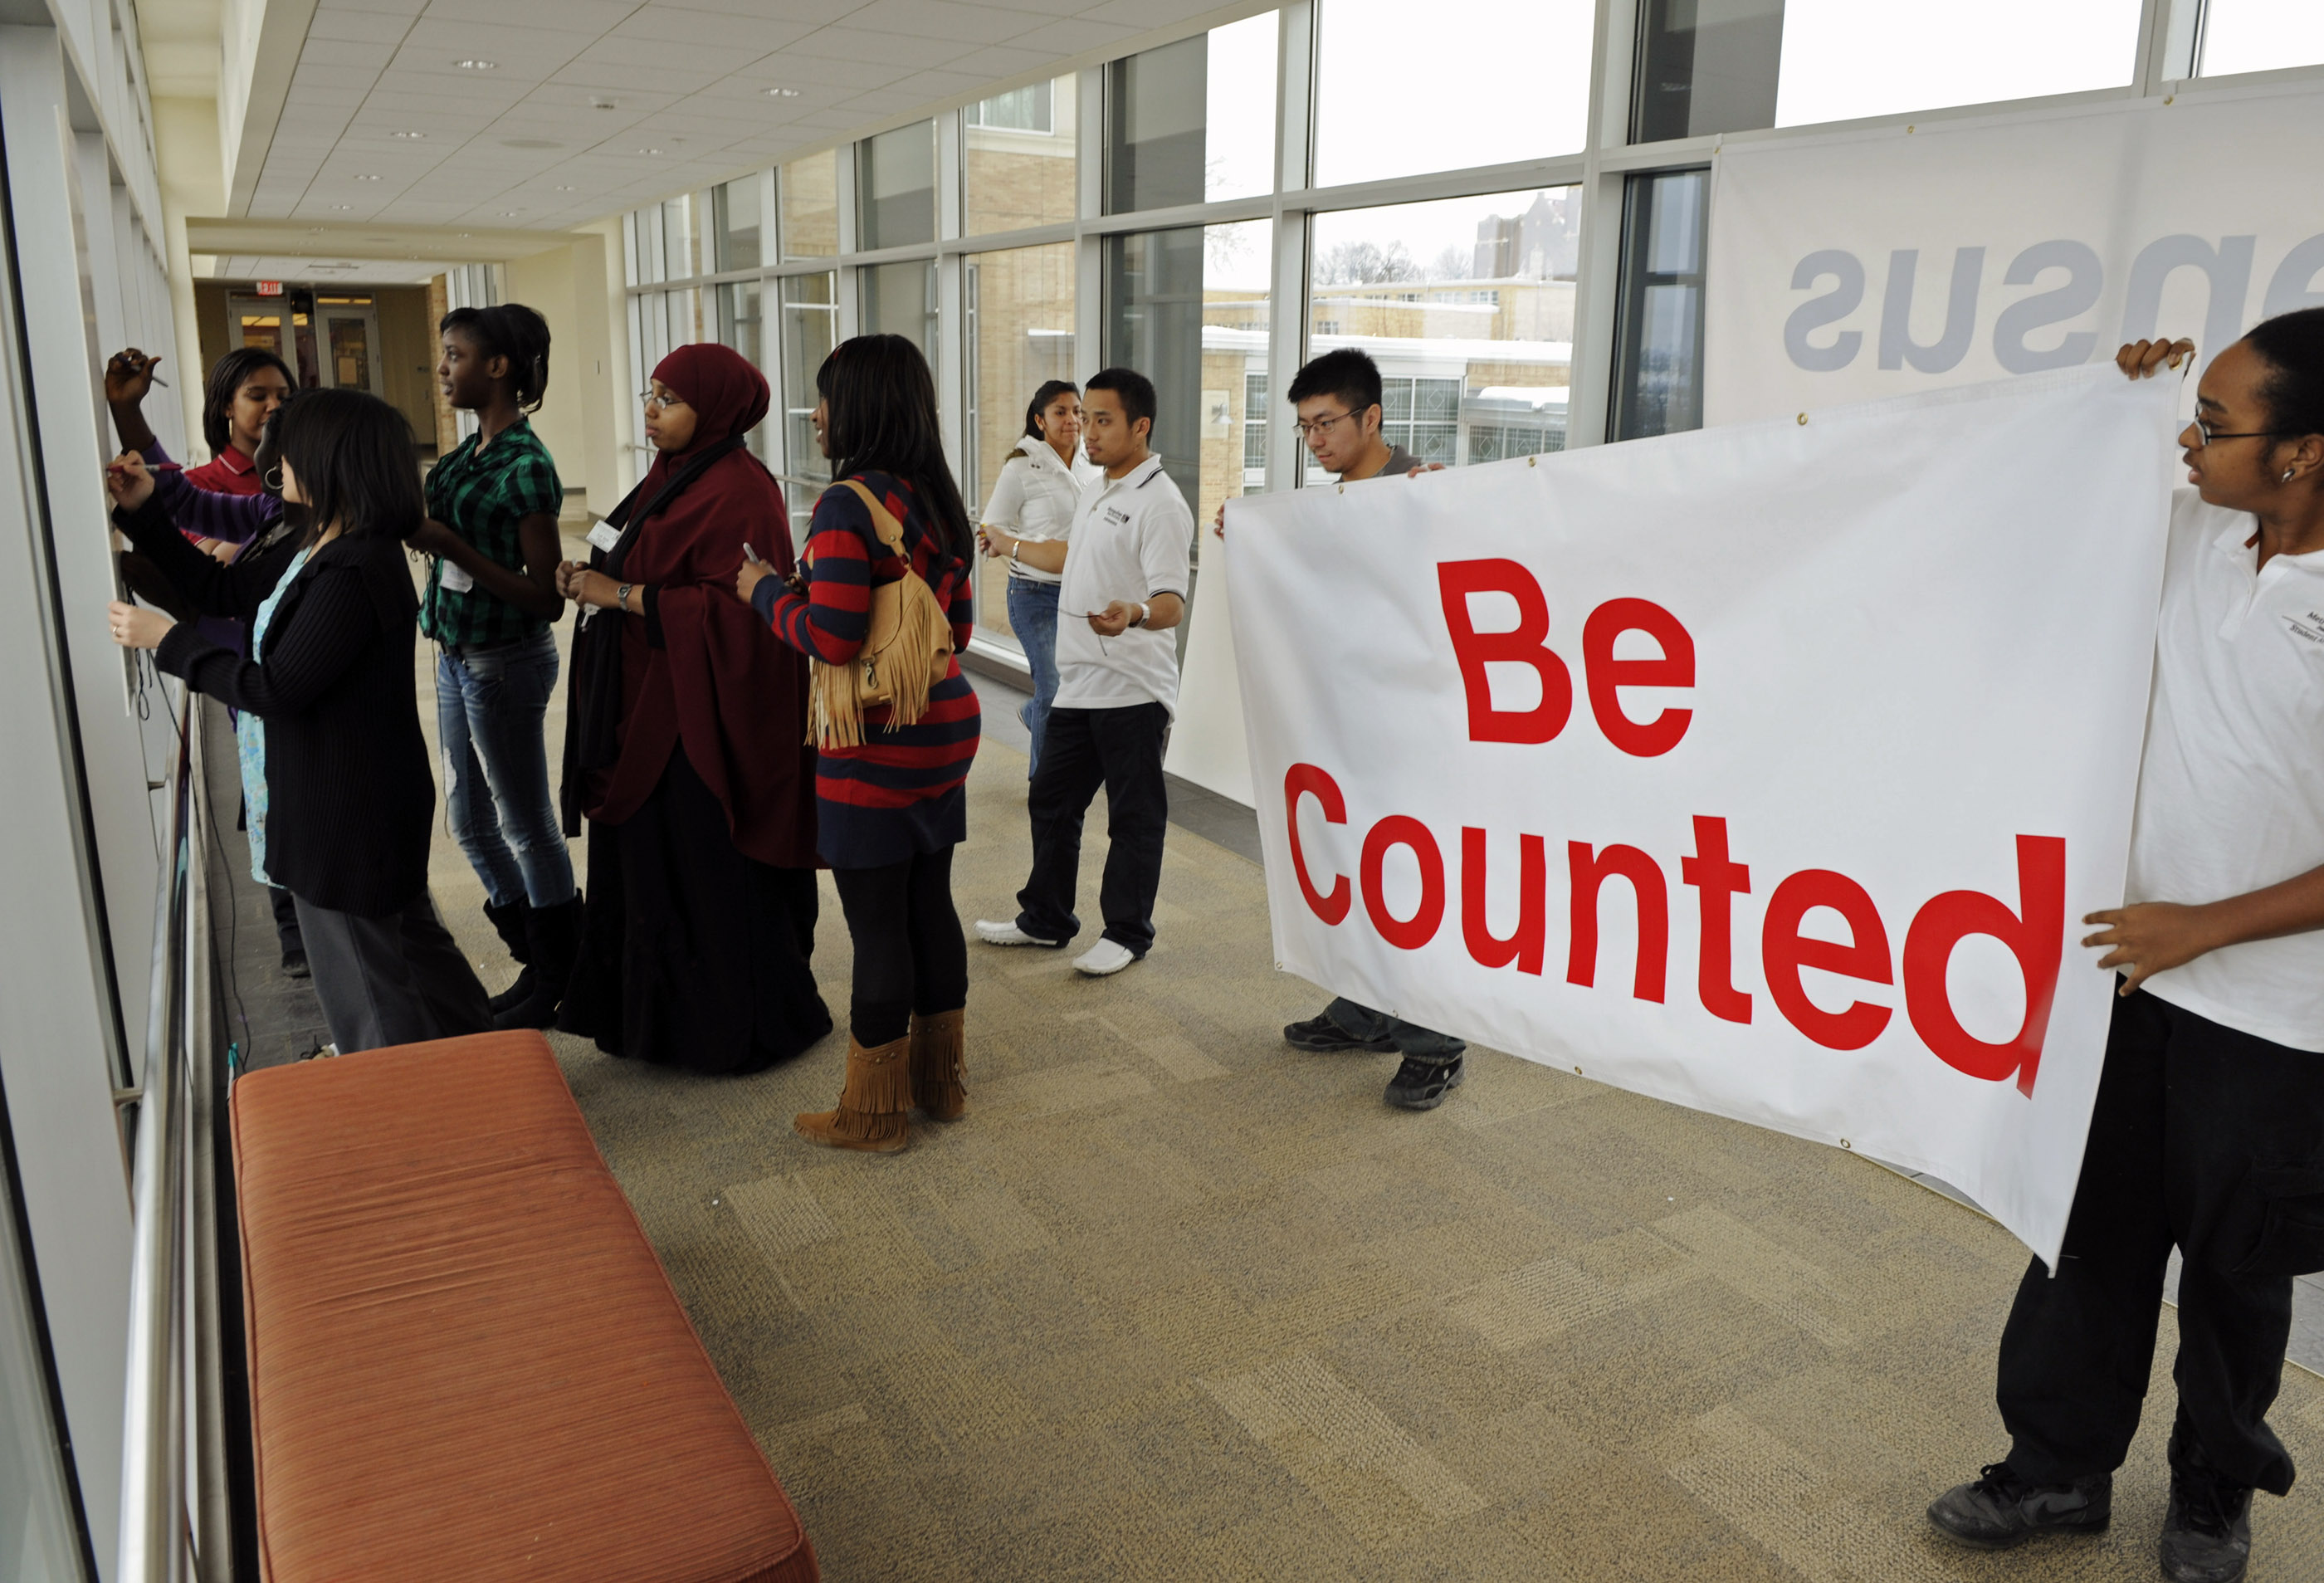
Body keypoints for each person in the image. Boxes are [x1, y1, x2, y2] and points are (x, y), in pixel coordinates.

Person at [1925, 316, 2324, 1583]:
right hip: (2129, 980)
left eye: (2215, 423)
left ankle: (2214, 1488)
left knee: (2234, 1276)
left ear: (2307, 451)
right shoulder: (2195, 541)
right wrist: (2097, 403)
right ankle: (2054, 1468)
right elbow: (2032, 515)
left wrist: (2203, 923)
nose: (2189, 443)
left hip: (2278, 1014)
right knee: (2083, 1237)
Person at [103, 390, 492, 1054]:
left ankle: (414, 1119)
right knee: (413, 952)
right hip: (362, 797)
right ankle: (489, 1068)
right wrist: (145, 514)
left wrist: (170, 643)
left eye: (293, 450)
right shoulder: (322, 542)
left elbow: (275, 688)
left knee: (368, 991)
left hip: (345, 812)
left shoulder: (351, 567)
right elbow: (222, 591)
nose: (276, 461)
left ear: (333, 462)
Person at [554, 344, 831, 1074]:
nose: (650, 408)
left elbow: (744, 614)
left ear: (715, 409)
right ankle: (651, 1021)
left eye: (669, 398)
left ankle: (728, 1030)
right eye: (649, 393)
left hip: (700, 715)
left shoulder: (742, 488)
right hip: (644, 698)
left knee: (704, 866)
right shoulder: (668, 477)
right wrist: (592, 571)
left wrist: (618, 595)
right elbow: (639, 558)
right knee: (648, 865)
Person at [740, 334, 979, 1153]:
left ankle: (873, 1113)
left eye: (827, 396)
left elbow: (833, 638)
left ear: (862, 407)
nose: (817, 412)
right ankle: (938, 1084)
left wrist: (764, 590)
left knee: (878, 925)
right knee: (928, 902)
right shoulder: (935, 497)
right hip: (944, 724)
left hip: (872, 741)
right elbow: (962, 626)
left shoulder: (846, 504)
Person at [1240, 349, 1472, 1109]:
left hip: (1413, 732)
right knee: (1353, 868)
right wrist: (1245, 536)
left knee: (1412, 880)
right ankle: (1365, 1005)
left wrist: (1457, 511)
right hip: (1341, 728)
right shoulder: (1326, 507)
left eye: (1326, 423)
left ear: (1372, 417)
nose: (1314, 440)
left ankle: (1437, 1041)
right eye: (1304, 428)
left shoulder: (1424, 489)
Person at [972, 367, 1190, 980]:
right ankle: (1045, 918)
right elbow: (1070, 557)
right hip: (1080, 684)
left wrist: (1137, 613)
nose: (1086, 431)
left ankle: (1126, 931)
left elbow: (1173, 600)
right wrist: (1010, 544)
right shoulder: (1097, 486)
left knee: (1133, 816)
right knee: (1052, 801)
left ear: (1139, 426)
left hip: (1132, 689)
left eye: (1102, 420)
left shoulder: (1161, 503)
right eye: (1083, 417)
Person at [104, 346, 312, 980]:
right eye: (259, 395)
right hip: (240, 667)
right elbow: (182, 497)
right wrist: (128, 423)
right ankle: (298, 933)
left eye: (284, 398)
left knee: (288, 801)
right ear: (226, 407)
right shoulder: (267, 502)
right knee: (271, 797)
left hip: (265, 673)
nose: (274, 407)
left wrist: (171, 632)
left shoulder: (314, 530)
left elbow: (216, 584)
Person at [411, 304, 579, 1030]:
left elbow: (546, 599)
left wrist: (454, 548)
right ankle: (537, 961)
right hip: (454, 659)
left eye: (455, 355)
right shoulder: (462, 457)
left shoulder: (526, 466)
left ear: (498, 367)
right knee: (468, 822)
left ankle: (561, 975)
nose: (443, 369)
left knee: (524, 822)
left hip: (504, 663)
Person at [975, 379, 1098, 776]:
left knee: (1072, 684)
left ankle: (1033, 712)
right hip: (1033, 594)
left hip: (1081, 594)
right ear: (1040, 420)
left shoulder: (1091, 464)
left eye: (1077, 411)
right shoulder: (1021, 466)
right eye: (1060, 412)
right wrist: (1010, 543)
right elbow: (990, 528)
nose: (1072, 420)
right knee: (1054, 685)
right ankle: (1044, 783)